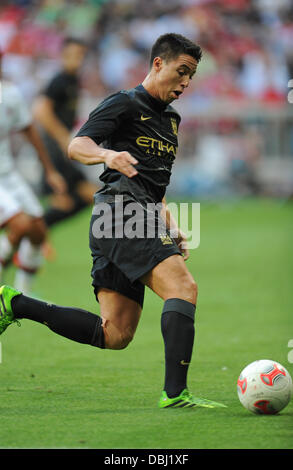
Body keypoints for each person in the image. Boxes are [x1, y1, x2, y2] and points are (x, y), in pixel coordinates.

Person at [0, 34, 226, 409]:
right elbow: (77, 145)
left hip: (133, 215)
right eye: (181, 72)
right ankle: (176, 394)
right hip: (120, 212)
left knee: (116, 333)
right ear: (158, 64)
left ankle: (15, 304)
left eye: (192, 76)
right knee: (183, 288)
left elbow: (155, 186)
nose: (186, 82)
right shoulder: (124, 102)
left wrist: (169, 223)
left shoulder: (171, 120)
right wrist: (108, 155)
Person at [0, 49, 66, 294]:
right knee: (21, 225)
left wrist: (50, 170)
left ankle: (22, 295)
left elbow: (29, 131)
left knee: (38, 231)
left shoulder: (9, 94)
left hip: (8, 175)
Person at [33, 37, 99, 228]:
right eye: (72, 55)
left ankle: (31, 236)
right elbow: (40, 111)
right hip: (55, 151)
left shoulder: (73, 81)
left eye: (80, 55)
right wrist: (63, 137)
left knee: (85, 197)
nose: (77, 59)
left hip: (62, 150)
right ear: (63, 56)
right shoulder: (59, 81)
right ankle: (26, 236)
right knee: (71, 200)